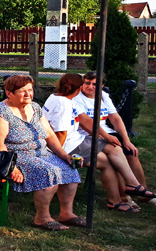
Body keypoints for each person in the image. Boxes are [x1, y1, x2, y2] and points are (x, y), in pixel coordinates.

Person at [0, 75, 83, 231]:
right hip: (16, 154)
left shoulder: (35, 108)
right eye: (22, 91)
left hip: (40, 151)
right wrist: (12, 167)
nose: (28, 95)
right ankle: (42, 218)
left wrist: (65, 155)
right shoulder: (1, 111)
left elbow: (50, 135)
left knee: (69, 167)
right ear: (9, 93)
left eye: (30, 90)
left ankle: (67, 214)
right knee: (49, 172)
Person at [43, 73, 139, 213]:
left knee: (112, 150)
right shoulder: (64, 104)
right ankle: (121, 196)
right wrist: (60, 155)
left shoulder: (56, 97)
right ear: (78, 89)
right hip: (66, 145)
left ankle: (128, 190)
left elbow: (84, 121)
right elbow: (60, 133)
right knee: (108, 160)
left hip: (74, 139)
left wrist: (105, 135)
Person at [73, 72, 156, 208]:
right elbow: (85, 123)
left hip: (107, 133)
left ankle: (142, 193)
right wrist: (105, 136)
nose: (90, 87)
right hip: (87, 135)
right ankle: (125, 196)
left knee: (131, 152)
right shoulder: (76, 98)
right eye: (87, 83)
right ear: (82, 83)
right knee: (115, 157)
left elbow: (115, 118)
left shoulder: (103, 96)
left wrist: (126, 140)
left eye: (95, 84)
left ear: (102, 86)